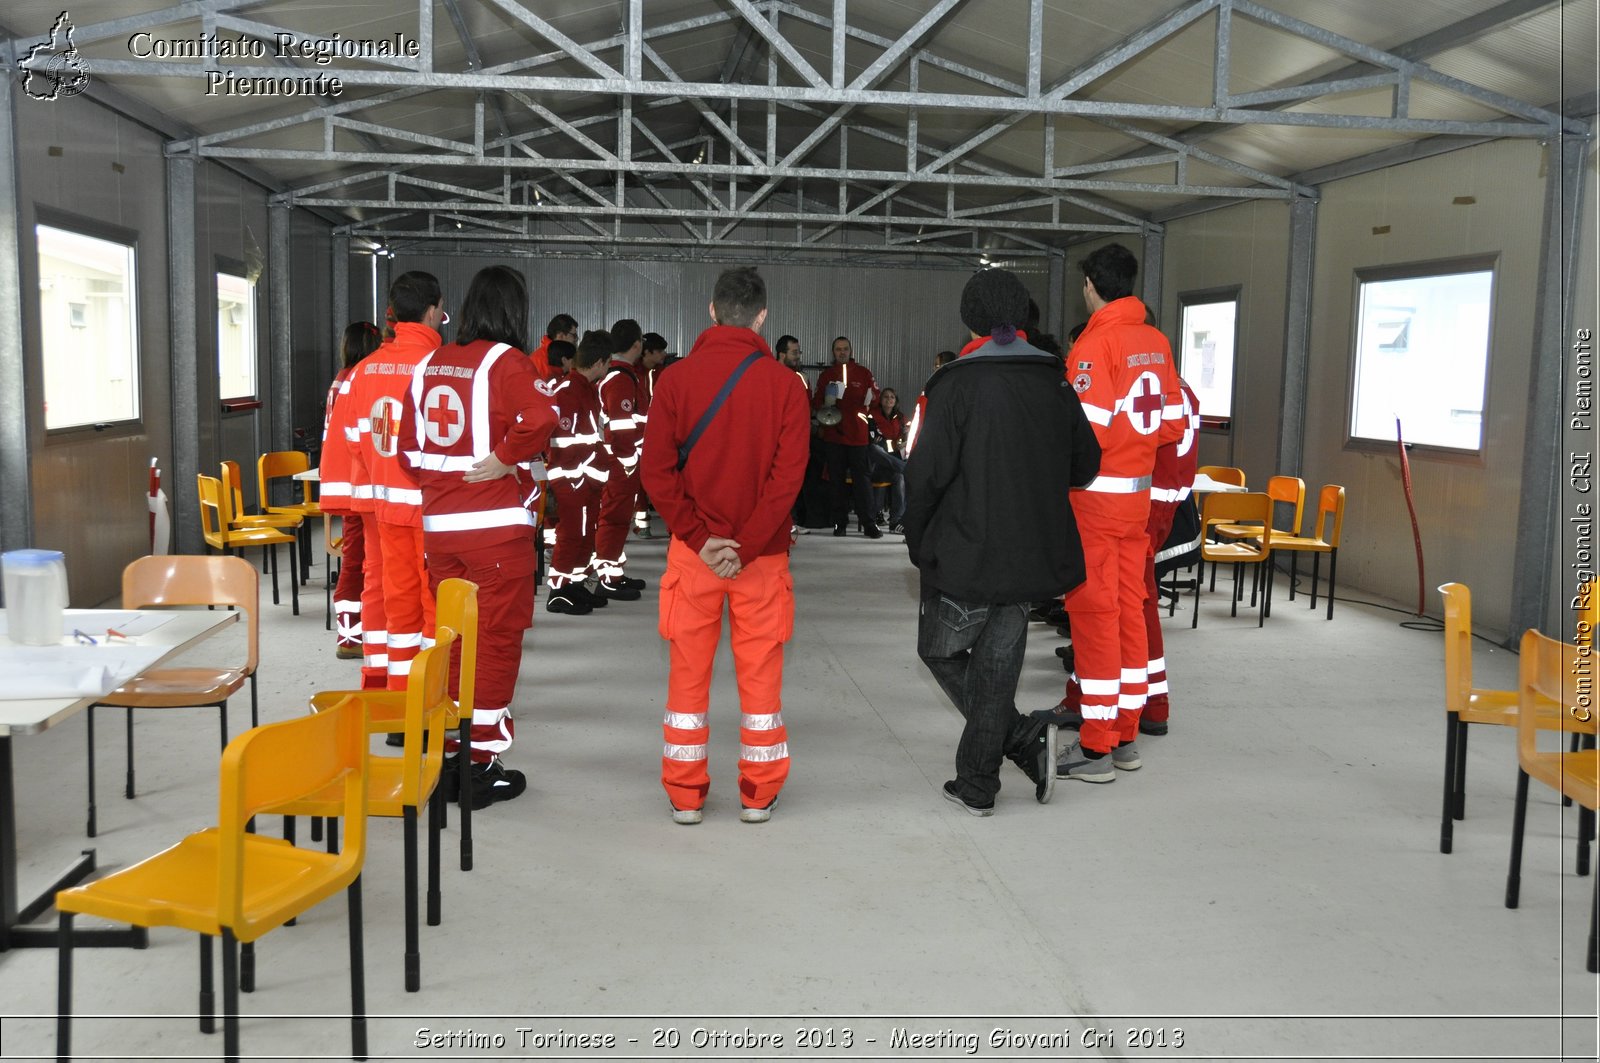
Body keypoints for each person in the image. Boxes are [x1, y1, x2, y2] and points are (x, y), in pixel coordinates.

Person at [905, 268, 1100, 816]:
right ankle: (984, 775)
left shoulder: (956, 382)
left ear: (971, 317)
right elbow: (1087, 464)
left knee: (940, 651)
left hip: (967, 550)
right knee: (995, 664)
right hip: (1029, 552)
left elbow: (925, 475)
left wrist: (919, 541)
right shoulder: (1055, 379)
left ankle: (1003, 753)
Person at [639, 267, 809, 825]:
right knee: (760, 674)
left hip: (694, 557)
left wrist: (700, 538)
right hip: (761, 559)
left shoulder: (675, 381)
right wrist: (747, 545)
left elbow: (657, 473)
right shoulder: (786, 387)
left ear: (712, 311)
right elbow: (788, 481)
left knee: (687, 672)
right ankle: (758, 794)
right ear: (762, 316)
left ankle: (685, 796)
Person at [397, 265, 556, 808]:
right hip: (493, 537)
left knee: (455, 641)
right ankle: (478, 765)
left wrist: (445, 481)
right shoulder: (505, 362)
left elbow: (406, 453)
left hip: (440, 536)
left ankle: (448, 752)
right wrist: (501, 460)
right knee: (496, 643)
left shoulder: (430, 364)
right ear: (514, 310)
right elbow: (542, 416)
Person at [1043, 243, 1185, 783]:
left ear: (1090, 284)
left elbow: (1083, 434)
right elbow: (1172, 425)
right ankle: (1124, 731)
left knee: (1095, 618)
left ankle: (1097, 747)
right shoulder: (1156, 341)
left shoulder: (1093, 345)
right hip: (1136, 504)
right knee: (1128, 611)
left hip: (1095, 505)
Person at [346, 271, 443, 692]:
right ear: (433, 310)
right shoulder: (437, 366)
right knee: (435, 605)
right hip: (430, 508)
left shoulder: (364, 370)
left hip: (384, 509)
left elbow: (353, 441)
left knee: (394, 600)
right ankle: (432, 701)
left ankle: (394, 696)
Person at [319, 321, 383, 660]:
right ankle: (350, 635)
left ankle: (354, 629)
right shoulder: (360, 377)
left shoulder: (342, 376)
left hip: (343, 479)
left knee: (355, 558)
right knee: (357, 559)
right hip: (354, 481)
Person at [544, 330, 613, 615]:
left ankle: (575, 584)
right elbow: (562, 441)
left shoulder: (587, 389)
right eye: (608, 363)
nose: (608, 368)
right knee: (572, 534)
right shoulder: (568, 391)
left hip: (587, 480)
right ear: (599, 362)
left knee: (586, 534)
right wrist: (575, 478)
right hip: (572, 479)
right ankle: (558, 592)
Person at [593, 319, 648, 598]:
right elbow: (622, 425)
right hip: (619, 461)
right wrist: (628, 461)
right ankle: (607, 577)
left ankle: (614, 571)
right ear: (636, 344)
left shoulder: (619, 374)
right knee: (613, 518)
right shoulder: (620, 378)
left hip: (618, 459)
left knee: (618, 518)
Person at [811, 335, 880, 538]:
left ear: (851, 351)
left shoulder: (863, 373)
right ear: (833, 352)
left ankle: (869, 524)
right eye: (838, 349)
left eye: (845, 349)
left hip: (858, 437)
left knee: (863, 482)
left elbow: (875, 396)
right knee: (836, 483)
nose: (842, 352)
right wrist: (825, 402)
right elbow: (816, 402)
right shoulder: (827, 376)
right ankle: (839, 523)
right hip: (834, 437)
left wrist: (872, 397)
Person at [633, 332, 669, 537]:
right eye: (660, 351)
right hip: (636, 436)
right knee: (637, 480)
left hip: (659, 436)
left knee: (660, 478)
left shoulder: (663, 373)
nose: (664, 355)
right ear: (647, 353)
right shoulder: (632, 374)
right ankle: (642, 521)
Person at [867, 387, 908, 532]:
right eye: (885, 397)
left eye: (892, 397)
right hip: (874, 463)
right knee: (875, 449)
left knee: (900, 476)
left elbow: (903, 440)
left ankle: (896, 521)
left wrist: (904, 441)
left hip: (892, 461)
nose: (889, 399)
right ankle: (907, 469)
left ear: (895, 401)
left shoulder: (901, 418)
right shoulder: (872, 415)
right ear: (880, 399)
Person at [903, 349, 956, 457]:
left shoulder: (932, 390)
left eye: (937, 365)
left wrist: (911, 450)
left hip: (928, 451)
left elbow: (919, 422)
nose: (934, 368)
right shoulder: (957, 389)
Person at [529, 313, 578, 384]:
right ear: (560, 336)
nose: (575, 339)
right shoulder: (541, 359)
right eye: (574, 335)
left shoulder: (543, 356)